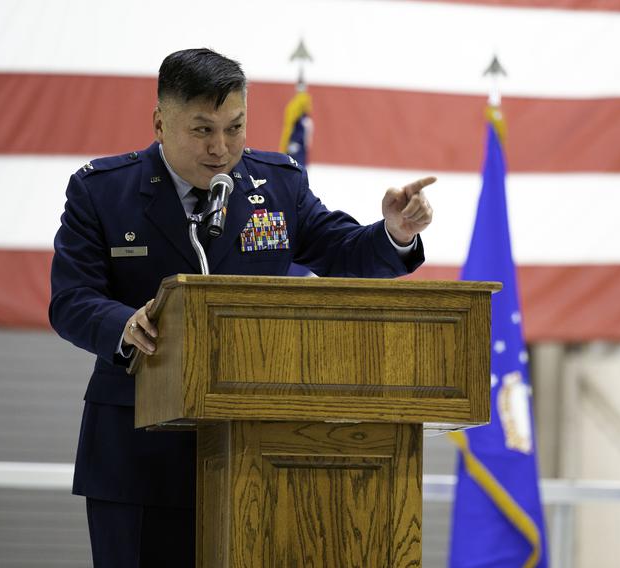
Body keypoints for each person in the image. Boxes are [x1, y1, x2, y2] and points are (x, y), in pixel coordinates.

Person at [49, 47, 435, 567]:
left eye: (235, 128)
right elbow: (71, 299)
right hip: (135, 452)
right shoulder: (103, 192)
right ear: (160, 122)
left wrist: (395, 232)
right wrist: (124, 325)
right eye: (202, 130)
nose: (222, 148)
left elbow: (344, 253)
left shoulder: (277, 185)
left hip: (261, 453)